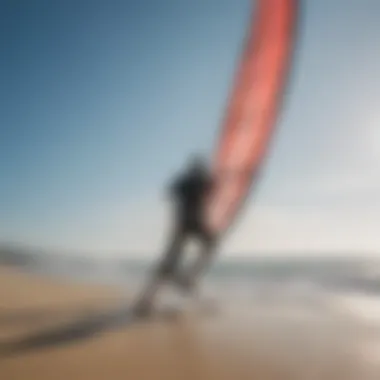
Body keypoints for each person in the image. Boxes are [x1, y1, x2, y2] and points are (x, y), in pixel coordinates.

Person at [134, 155, 217, 315]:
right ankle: (187, 277)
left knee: (169, 261)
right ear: (198, 170)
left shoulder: (185, 181)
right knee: (209, 244)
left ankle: (147, 299)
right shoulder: (198, 181)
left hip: (182, 225)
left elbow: (170, 191)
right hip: (192, 224)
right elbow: (211, 188)